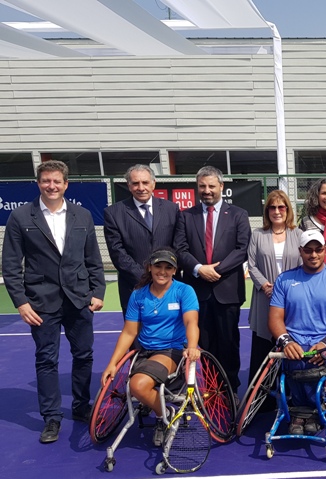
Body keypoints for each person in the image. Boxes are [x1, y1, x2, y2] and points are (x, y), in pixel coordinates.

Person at [2, 160, 106, 443]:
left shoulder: (81, 215)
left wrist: (98, 292)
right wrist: (21, 303)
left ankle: (81, 406)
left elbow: (93, 259)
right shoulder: (22, 217)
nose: (51, 186)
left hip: (79, 300)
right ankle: (51, 418)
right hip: (41, 303)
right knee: (46, 360)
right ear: (38, 183)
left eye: (57, 181)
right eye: (46, 181)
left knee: (84, 355)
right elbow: (11, 265)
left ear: (65, 184)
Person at [100, 248, 200, 446]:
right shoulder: (138, 296)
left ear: (174, 270)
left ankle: (164, 414)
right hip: (144, 352)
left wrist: (193, 346)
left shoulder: (184, 291)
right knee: (137, 385)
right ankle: (163, 408)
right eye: (158, 266)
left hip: (172, 351)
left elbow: (191, 323)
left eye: (168, 267)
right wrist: (113, 364)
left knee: (137, 385)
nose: (162, 271)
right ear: (149, 268)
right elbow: (129, 332)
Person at [268, 230, 326, 436]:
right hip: (294, 342)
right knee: (297, 359)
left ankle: (308, 411)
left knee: (312, 361)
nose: (313, 255)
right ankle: (303, 411)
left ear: (324, 250)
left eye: (318, 249)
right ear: (300, 251)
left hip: (324, 343)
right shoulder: (284, 279)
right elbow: (274, 318)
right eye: (308, 250)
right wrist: (286, 342)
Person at [173, 166, 251, 394]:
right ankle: (210, 388)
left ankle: (229, 391)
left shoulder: (238, 214)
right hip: (196, 292)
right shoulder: (186, 216)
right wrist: (198, 269)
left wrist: (215, 270)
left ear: (221, 187)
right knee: (203, 345)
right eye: (202, 186)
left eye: (211, 186)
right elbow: (180, 248)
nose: (207, 191)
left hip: (227, 291)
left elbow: (242, 248)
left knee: (228, 344)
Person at [104, 164, 181, 314]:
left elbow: (178, 245)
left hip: (169, 287)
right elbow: (117, 252)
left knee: (170, 334)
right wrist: (146, 277)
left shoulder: (171, 209)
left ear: (153, 183)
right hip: (134, 287)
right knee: (136, 336)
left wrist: (163, 274)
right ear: (129, 185)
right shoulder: (113, 213)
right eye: (135, 183)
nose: (141, 188)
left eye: (145, 182)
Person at [246, 190, 302, 386]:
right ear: (267, 210)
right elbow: (251, 265)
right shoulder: (258, 235)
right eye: (272, 207)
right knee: (263, 347)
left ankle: (291, 396)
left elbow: (305, 265)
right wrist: (264, 284)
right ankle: (263, 398)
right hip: (264, 298)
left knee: (291, 346)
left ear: (287, 209)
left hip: (292, 298)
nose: (277, 211)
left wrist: (285, 289)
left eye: (281, 207)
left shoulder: (298, 234)